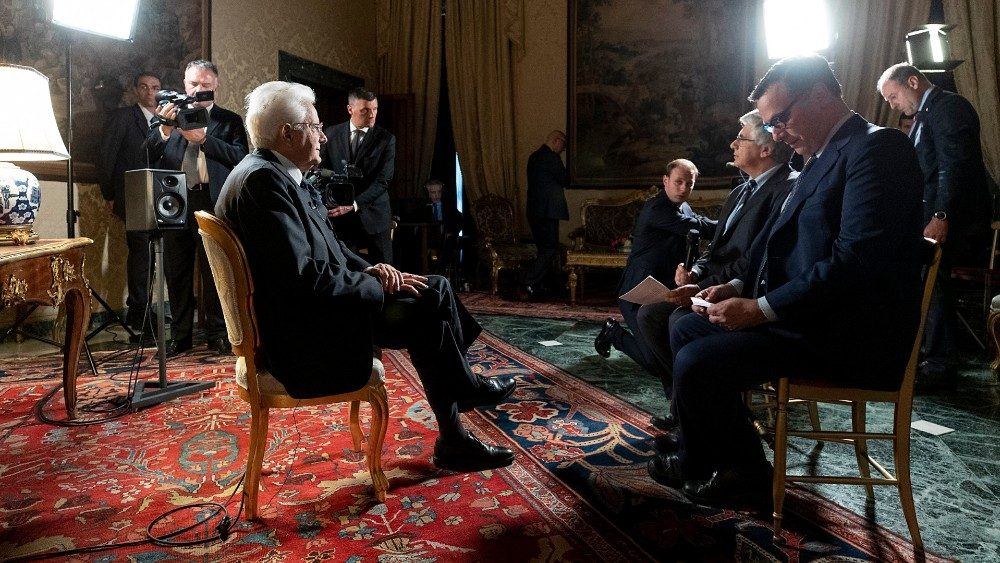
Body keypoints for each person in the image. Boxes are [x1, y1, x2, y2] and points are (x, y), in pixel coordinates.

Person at [648, 54, 924, 509]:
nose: (775, 134)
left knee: (698, 359)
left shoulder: (878, 149)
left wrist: (760, 309)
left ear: (819, 95)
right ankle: (715, 455)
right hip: (811, 318)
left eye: (780, 119)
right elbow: (774, 241)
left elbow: (854, 261)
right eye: (770, 124)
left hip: (847, 332)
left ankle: (738, 472)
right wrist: (737, 288)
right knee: (686, 328)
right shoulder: (818, 157)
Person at [217, 80, 516, 472]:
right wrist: (375, 284)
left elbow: (331, 247)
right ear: (287, 133)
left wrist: (372, 269)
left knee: (435, 288)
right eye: (315, 126)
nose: (324, 136)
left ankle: (460, 407)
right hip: (303, 336)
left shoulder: (273, 173)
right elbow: (304, 278)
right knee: (429, 309)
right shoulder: (264, 182)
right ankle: (460, 407)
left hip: (313, 310)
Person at [635, 110, 795, 442]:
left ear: (766, 149)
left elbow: (755, 259)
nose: (732, 144)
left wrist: (702, 286)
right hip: (712, 281)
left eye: (741, 138)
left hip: (740, 290)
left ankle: (695, 415)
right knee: (648, 315)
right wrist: (695, 270)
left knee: (676, 320)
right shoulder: (740, 190)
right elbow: (716, 246)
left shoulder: (786, 188)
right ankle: (684, 401)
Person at [878, 63, 994, 392]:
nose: (892, 105)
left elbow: (952, 167)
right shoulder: (926, 114)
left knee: (930, 279)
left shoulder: (949, 108)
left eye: (893, 96)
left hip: (956, 223)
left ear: (913, 82)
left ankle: (939, 366)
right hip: (935, 219)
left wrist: (941, 216)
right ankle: (921, 357)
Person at [143, 60, 249, 356]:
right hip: (175, 202)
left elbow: (241, 158)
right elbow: (148, 155)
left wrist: (204, 139)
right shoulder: (169, 115)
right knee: (176, 271)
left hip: (212, 201)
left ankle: (218, 334)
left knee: (215, 270)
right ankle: (180, 336)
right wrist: (165, 130)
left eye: (205, 84)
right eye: (193, 84)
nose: (198, 89)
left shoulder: (229, 121)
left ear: (216, 86)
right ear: (184, 84)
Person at [593, 159, 716, 375]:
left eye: (689, 184)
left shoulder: (684, 207)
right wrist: (733, 224)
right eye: (678, 182)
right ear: (665, 180)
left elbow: (698, 224)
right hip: (638, 290)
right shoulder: (656, 207)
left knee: (663, 352)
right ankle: (614, 333)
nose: (683, 188)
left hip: (664, 289)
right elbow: (700, 226)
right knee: (654, 362)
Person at [98, 72, 162, 336]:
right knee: (140, 254)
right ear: (136, 90)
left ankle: (148, 308)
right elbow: (107, 156)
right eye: (144, 87)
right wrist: (109, 195)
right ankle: (138, 310)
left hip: (160, 197)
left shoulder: (165, 120)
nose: (150, 92)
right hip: (133, 196)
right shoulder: (123, 117)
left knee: (155, 253)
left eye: (155, 87)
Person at [321, 87, 396, 265]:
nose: (372, 115)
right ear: (350, 109)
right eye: (365, 110)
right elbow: (322, 172)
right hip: (341, 217)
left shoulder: (386, 139)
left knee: (385, 271)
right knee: (343, 267)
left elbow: (383, 181)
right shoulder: (330, 134)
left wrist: (354, 204)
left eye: (375, 109)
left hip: (375, 216)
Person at [519, 130, 569, 301]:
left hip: (534, 211)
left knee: (543, 249)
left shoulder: (533, 157)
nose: (562, 150)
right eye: (563, 146)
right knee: (550, 249)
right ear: (556, 141)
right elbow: (565, 179)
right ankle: (528, 282)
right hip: (547, 212)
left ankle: (538, 286)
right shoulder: (552, 157)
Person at [423, 179, 463, 275]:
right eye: (433, 192)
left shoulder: (449, 206)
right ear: (428, 193)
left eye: (439, 192)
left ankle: (440, 274)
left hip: (445, 238)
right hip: (428, 240)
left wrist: (452, 232)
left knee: (445, 249)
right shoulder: (423, 207)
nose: (436, 195)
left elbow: (461, 221)